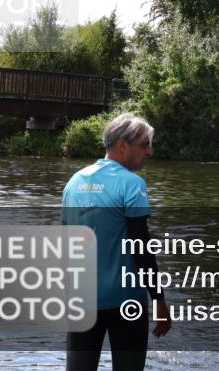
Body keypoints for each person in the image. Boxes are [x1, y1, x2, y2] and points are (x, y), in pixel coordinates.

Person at [62, 113, 172, 371]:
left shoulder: (73, 182)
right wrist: (159, 299)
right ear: (123, 145)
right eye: (145, 144)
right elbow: (141, 247)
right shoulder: (133, 184)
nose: (150, 151)